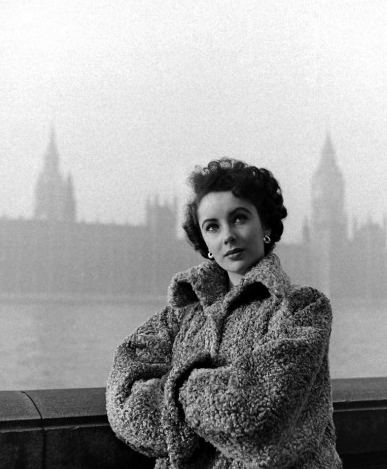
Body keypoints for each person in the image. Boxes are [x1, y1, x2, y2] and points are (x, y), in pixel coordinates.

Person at [106, 158, 342, 469]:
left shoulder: (303, 309)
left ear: (266, 226)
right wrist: (209, 398)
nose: (227, 235)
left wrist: (172, 393)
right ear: (204, 241)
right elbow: (125, 404)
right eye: (212, 226)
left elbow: (255, 412)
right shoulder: (180, 314)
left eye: (239, 218)